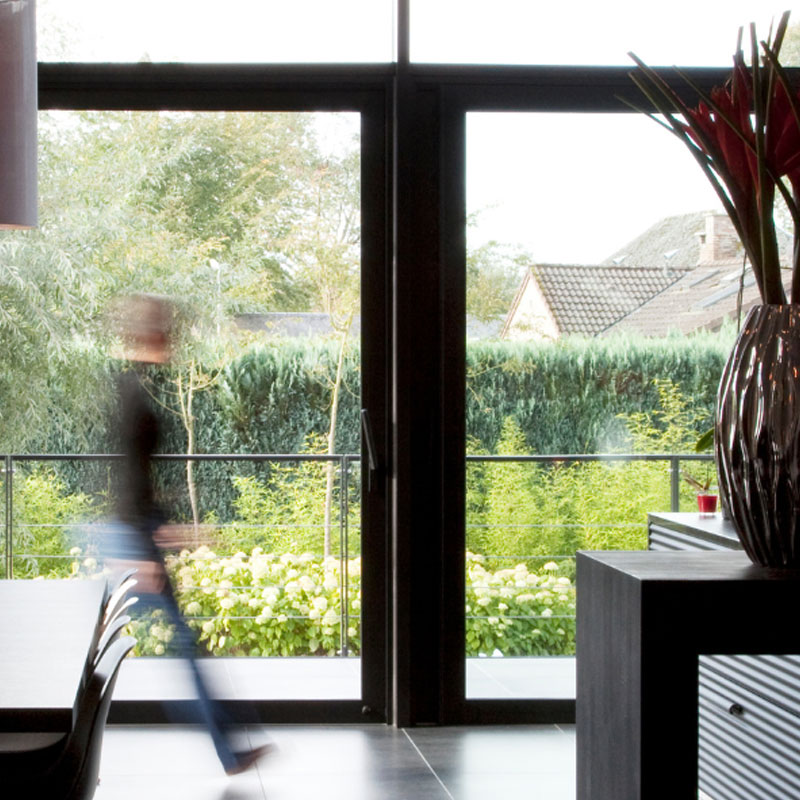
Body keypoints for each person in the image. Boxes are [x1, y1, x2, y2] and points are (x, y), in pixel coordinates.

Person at [106, 293, 271, 776]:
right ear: (151, 336)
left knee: (185, 646)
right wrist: (141, 550)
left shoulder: (139, 385)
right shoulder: (134, 390)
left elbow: (138, 474)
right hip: (134, 536)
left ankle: (231, 747)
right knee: (183, 645)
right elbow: (127, 475)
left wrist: (168, 526)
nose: (172, 340)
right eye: (166, 332)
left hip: (139, 530)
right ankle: (229, 750)